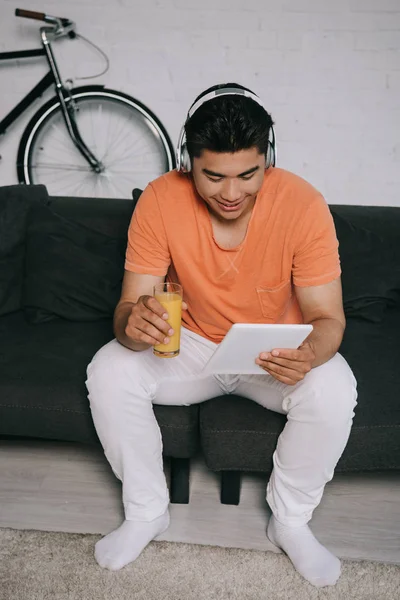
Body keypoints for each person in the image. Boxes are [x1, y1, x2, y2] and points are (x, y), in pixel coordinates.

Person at [86, 83, 357, 587]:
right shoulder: (160, 198)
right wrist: (134, 324)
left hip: (273, 351)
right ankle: (147, 511)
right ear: (189, 163)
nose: (231, 194)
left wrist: (309, 353)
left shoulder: (303, 203)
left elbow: (328, 319)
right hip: (188, 347)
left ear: (267, 160)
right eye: (213, 176)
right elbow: (127, 311)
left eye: (248, 175)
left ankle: (291, 521)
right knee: (108, 369)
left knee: (335, 388)